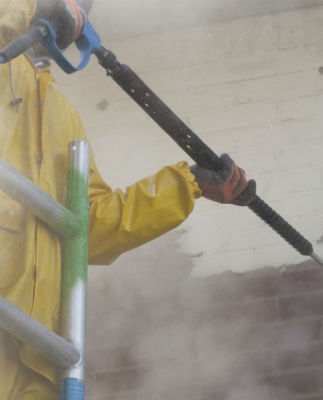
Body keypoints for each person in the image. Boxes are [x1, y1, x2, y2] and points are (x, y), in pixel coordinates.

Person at [0, 0, 253, 398]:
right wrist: (26, 10)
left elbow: (87, 227)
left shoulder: (62, 115)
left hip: (36, 358)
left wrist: (187, 185)